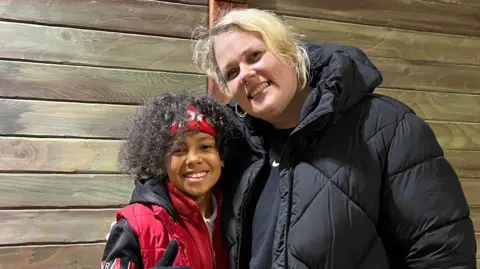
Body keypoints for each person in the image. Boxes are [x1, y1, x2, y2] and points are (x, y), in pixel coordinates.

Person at [192, 8, 477, 269]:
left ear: (288, 51)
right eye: (232, 72)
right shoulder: (232, 149)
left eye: (254, 55)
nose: (246, 74)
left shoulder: (386, 126)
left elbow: (441, 252)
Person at [100, 93, 236, 269]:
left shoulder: (236, 214)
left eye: (205, 147)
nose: (194, 159)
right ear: (161, 161)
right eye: (178, 150)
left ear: (221, 154)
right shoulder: (133, 225)